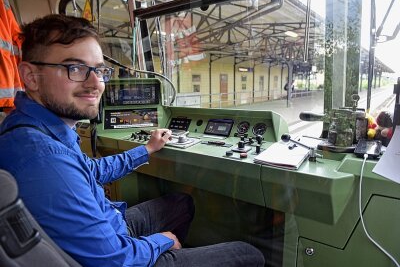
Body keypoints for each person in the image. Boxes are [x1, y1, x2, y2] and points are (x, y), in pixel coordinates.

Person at [0, 14, 265, 267]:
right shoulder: (44, 157)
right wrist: (161, 241)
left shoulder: (39, 129)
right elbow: (116, 260)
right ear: (31, 77)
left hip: (110, 224)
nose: (96, 83)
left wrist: (147, 149)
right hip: (117, 254)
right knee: (248, 254)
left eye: (99, 70)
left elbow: (91, 171)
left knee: (182, 203)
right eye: (76, 68)